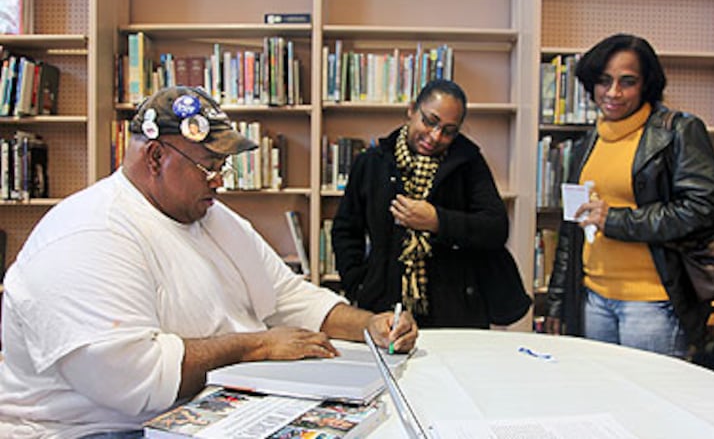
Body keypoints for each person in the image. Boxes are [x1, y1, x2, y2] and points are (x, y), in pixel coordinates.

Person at [0, 86, 418, 438]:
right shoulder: (90, 235)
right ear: (155, 159)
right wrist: (257, 345)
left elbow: (288, 296)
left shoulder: (211, 216)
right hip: (93, 428)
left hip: (196, 409)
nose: (220, 179)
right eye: (209, 166)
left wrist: (368, 326)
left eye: (222, 165)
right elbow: (133, 380)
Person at [545, 34, 714, 357]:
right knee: (604, 398)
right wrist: (558, 302)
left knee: (654, 404)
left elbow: (705, 209)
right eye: (604, 81)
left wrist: (616, 220)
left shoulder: (677, 131)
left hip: (653, 304)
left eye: (627, 82)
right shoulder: (588, 142)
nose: (613, 93)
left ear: (647, 85)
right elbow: (572, 228)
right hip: (593, 299)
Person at [331, 79, 530, 328]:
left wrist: (437, 221)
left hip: (457, 309)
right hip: (385, 305)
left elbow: (496, 228)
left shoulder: (468, 162)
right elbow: (346, 230)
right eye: (430, 121)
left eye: (448, 131)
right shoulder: (372, 162)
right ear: (412, 110)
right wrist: (357, 284)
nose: (435, 137)